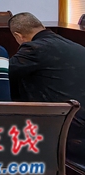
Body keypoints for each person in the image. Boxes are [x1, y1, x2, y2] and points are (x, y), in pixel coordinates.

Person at [8, 12, 85, 164]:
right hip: (80, 117)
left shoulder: (34, 48)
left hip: (65, 125)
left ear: (18, 36)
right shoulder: (76, 46)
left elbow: (5, 72)